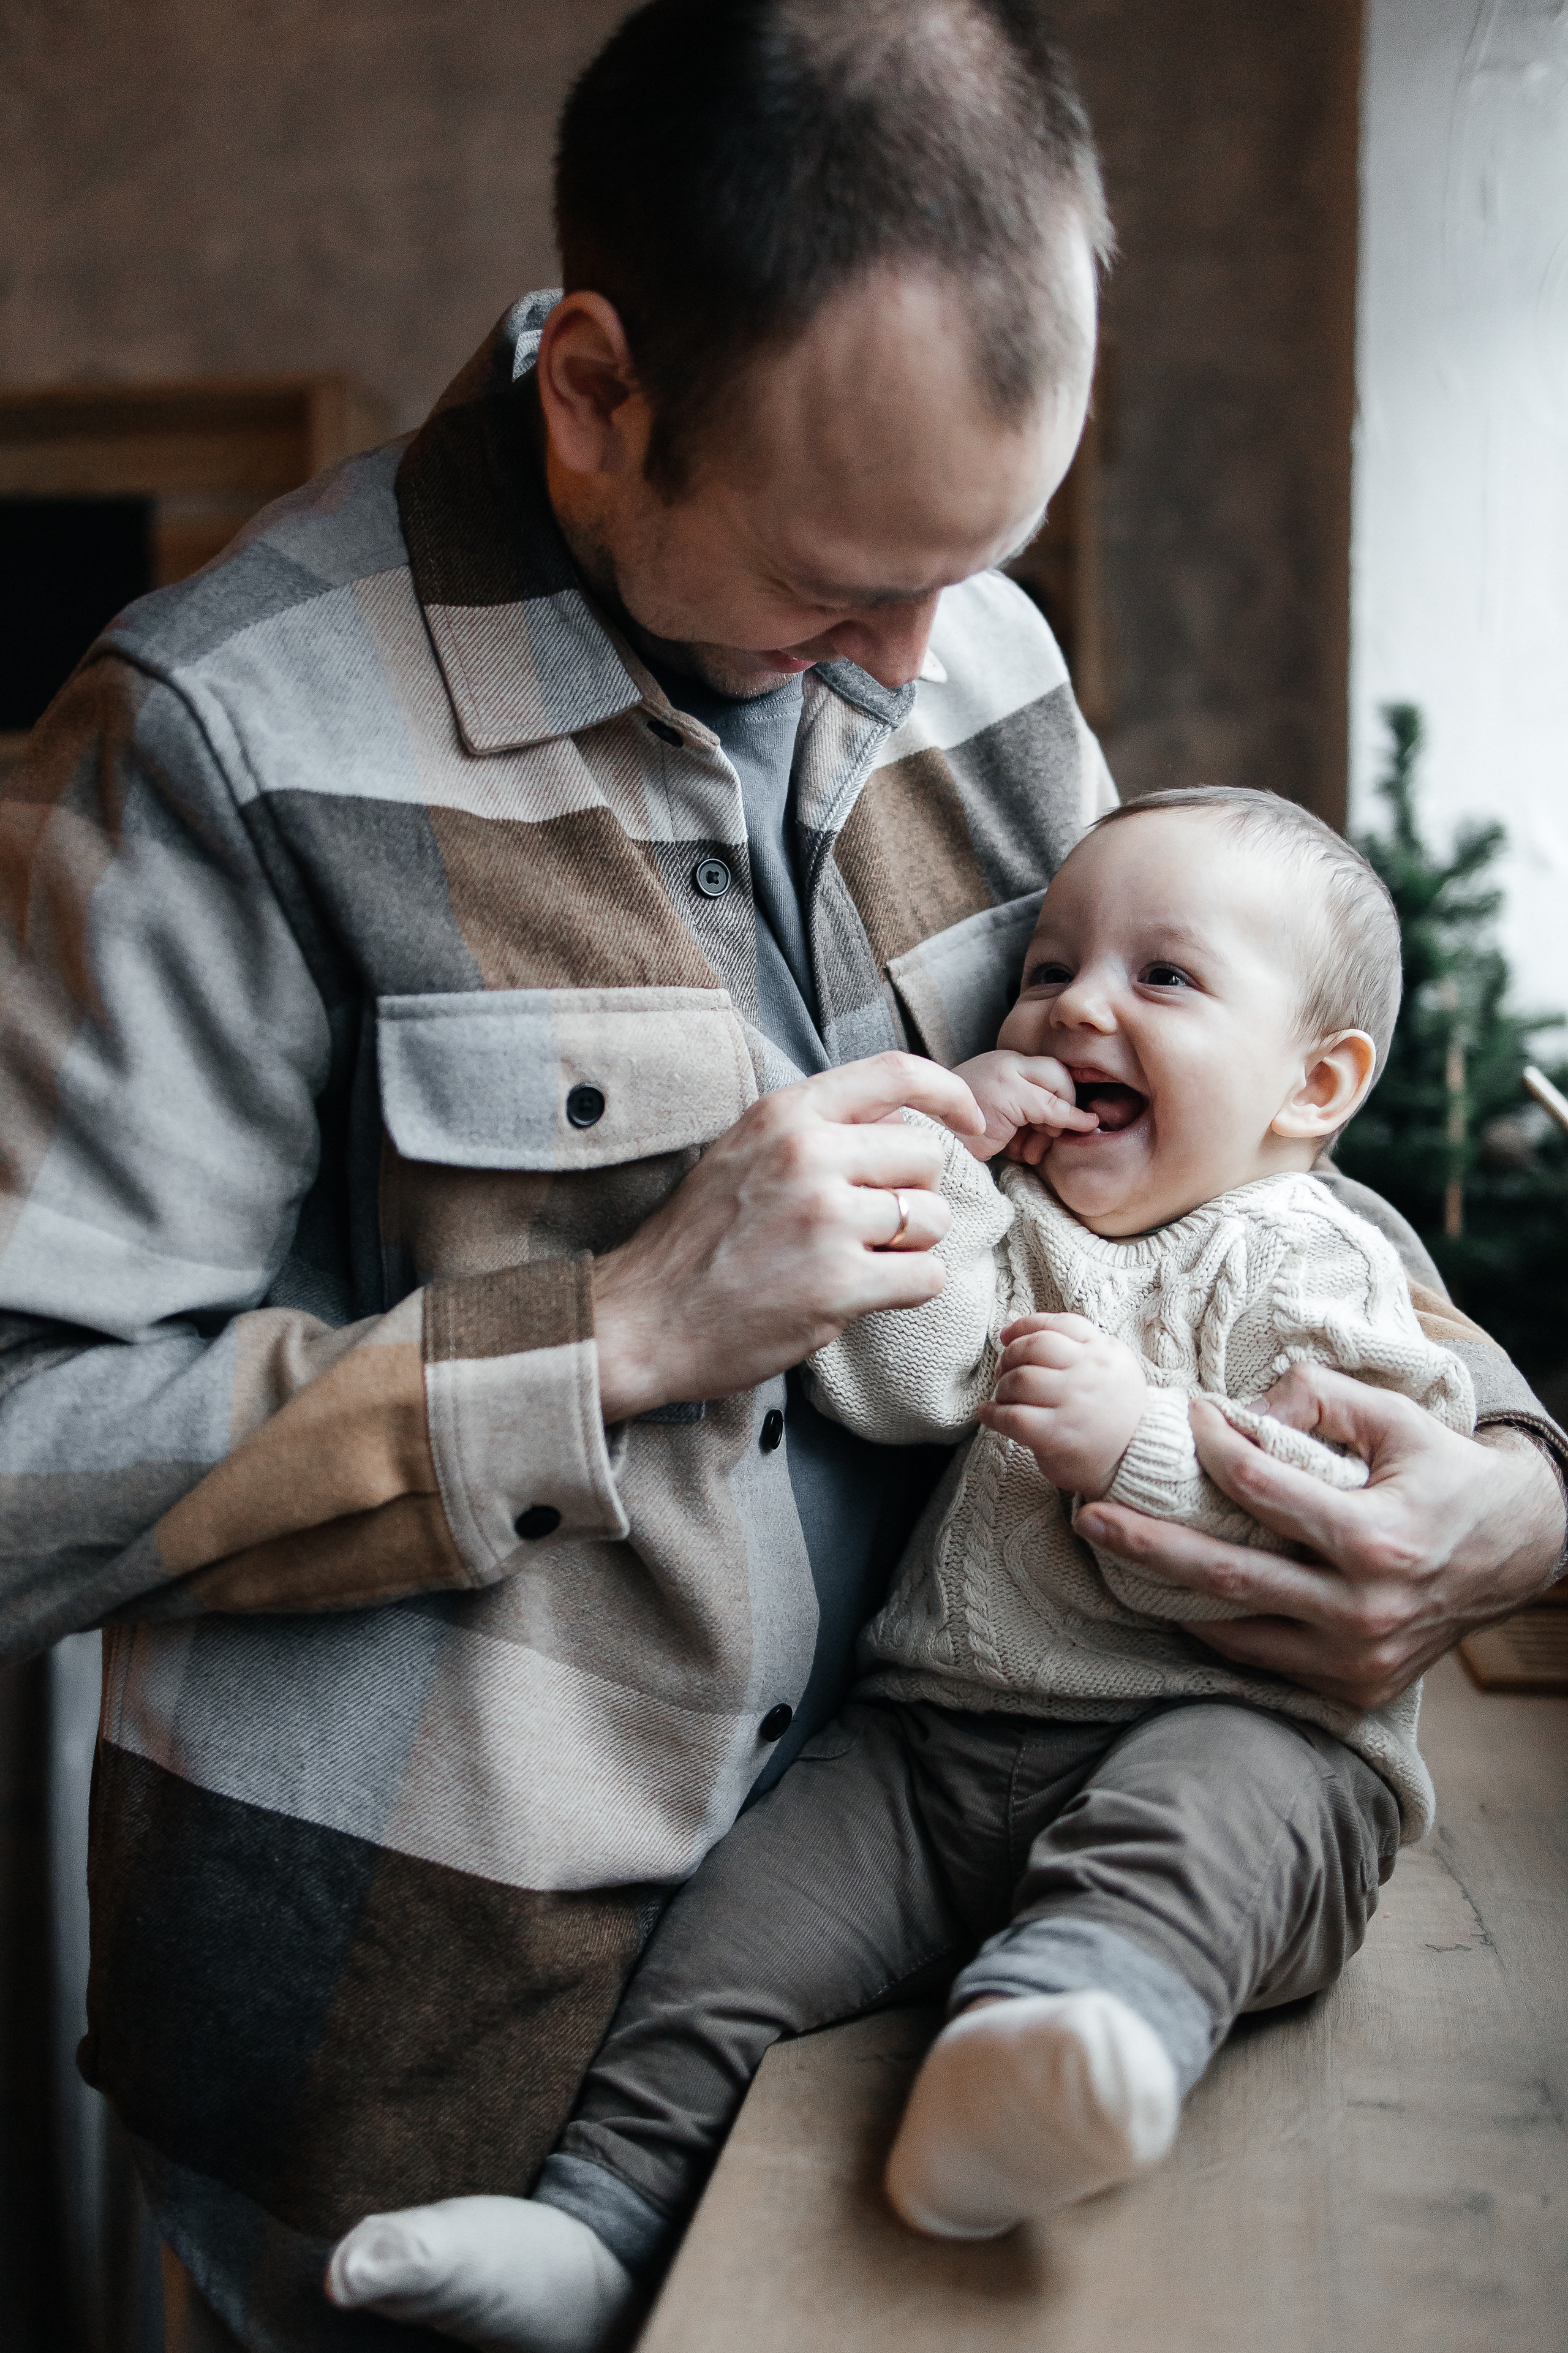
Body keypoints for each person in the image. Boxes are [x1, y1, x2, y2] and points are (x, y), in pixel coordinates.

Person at [0, 6, 1559, 2350]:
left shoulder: (973, 650)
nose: (925, 660)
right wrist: (620, 1325)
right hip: (428, 2085)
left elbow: (1231, 1189)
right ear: (602, 393)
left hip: (921, 1985)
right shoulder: (218, 740)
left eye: (982, 562)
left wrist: (1514, 1503)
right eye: (846, 584)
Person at [317, 788, 1476, 2352]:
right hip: (939, 1744)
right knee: (730, 1938)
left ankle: (1057, 2049)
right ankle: (595, 2218)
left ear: (1312, 1081)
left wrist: (1140, 1440)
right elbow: (902, 1382)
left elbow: (1353, 1519)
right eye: (1050, 965)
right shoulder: (1022, 1212)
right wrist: (942, 1155)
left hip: (1236, 1725)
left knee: (1191, 1833)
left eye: (1164, 979)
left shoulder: (1308, 1255)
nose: (1075, 1003)